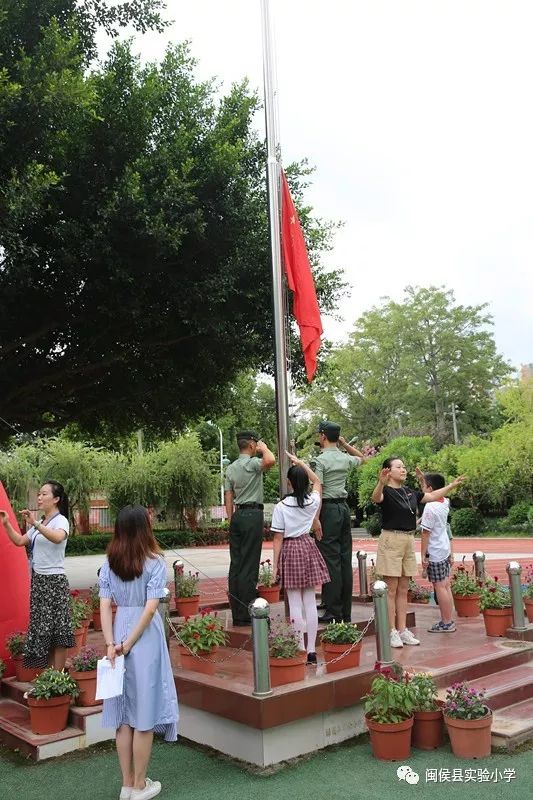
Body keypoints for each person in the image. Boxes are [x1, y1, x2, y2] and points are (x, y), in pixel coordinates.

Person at [99, 504, 178, 800]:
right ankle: (140, 785)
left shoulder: (109, 562)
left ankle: (126, 784)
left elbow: (105, 604)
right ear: (144, 528)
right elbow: (150, 607)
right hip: (143, 639)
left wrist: (110, 642)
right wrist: (129, 643)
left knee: (123, 716)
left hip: (118, 632)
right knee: (143, 713)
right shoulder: (155, 561)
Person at [371, 457, 465, 648]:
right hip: (391, 539)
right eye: (399, 467)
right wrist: (380, 483)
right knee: (391, 589)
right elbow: (376, 498)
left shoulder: (408, 492)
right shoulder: (386, 491)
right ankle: (391, 631)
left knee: (404, 588)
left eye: (404, 467)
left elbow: (431, 496)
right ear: (388, 471)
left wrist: (451, 486)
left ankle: (403, 630)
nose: (404, 470)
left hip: (407, 539)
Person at [0, 480, 74, 670]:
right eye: (39, 494)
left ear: (56, 499)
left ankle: (58, 677)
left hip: (54, 581)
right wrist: (7, 523)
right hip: (39, 581)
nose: (39, 498)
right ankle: (50, 676)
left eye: (44, 494)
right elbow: (19, 541)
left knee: (59, 631)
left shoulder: (61, 521)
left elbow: (57, 538)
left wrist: (34, 524)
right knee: (44, 631)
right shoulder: (41, 522)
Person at [270, 452, 331, 665]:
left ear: (288, 482)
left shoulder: (281, 507)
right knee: (310, 601)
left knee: (294, 602)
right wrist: (303, 463)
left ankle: (300, 646)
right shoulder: (313, 501)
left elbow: (278, 538)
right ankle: (312, 650)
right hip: (308, 545)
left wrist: (275, 566)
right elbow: (317, 481)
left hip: (290, 548)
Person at [311, 421, 369, 623]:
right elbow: (362, 458)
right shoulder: (345, 458)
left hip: (327, 509)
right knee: (344, 560)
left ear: (322, 436)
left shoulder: (320, 461)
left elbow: (318, 488)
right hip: (343, 509)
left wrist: (315, 518)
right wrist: (344, 445)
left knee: (331, 561)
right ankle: (345, 610)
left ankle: (334, 610)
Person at [224, 431, 275, 626]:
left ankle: (237, 612)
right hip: (253, 514)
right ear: (252, 445)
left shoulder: (230, 468)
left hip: (237, 516)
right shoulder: (253, 464)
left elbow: (228, 496)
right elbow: (270, 460)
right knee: (250, 564)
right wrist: (264, 448)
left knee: (236, 564)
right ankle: (247, 612)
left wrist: (231, 519)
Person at [419, 473, 455, 632]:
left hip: (434, 550)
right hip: (444, 547)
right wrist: (422, 477)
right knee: (445, 585)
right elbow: (438, 491)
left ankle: (446, 622)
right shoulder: (445, 501)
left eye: (423, 485)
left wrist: (422, 555)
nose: (421, 488)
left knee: (439, 587)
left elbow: (425, 533)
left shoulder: (430, 507)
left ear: (430, 489)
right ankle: (449, 619)